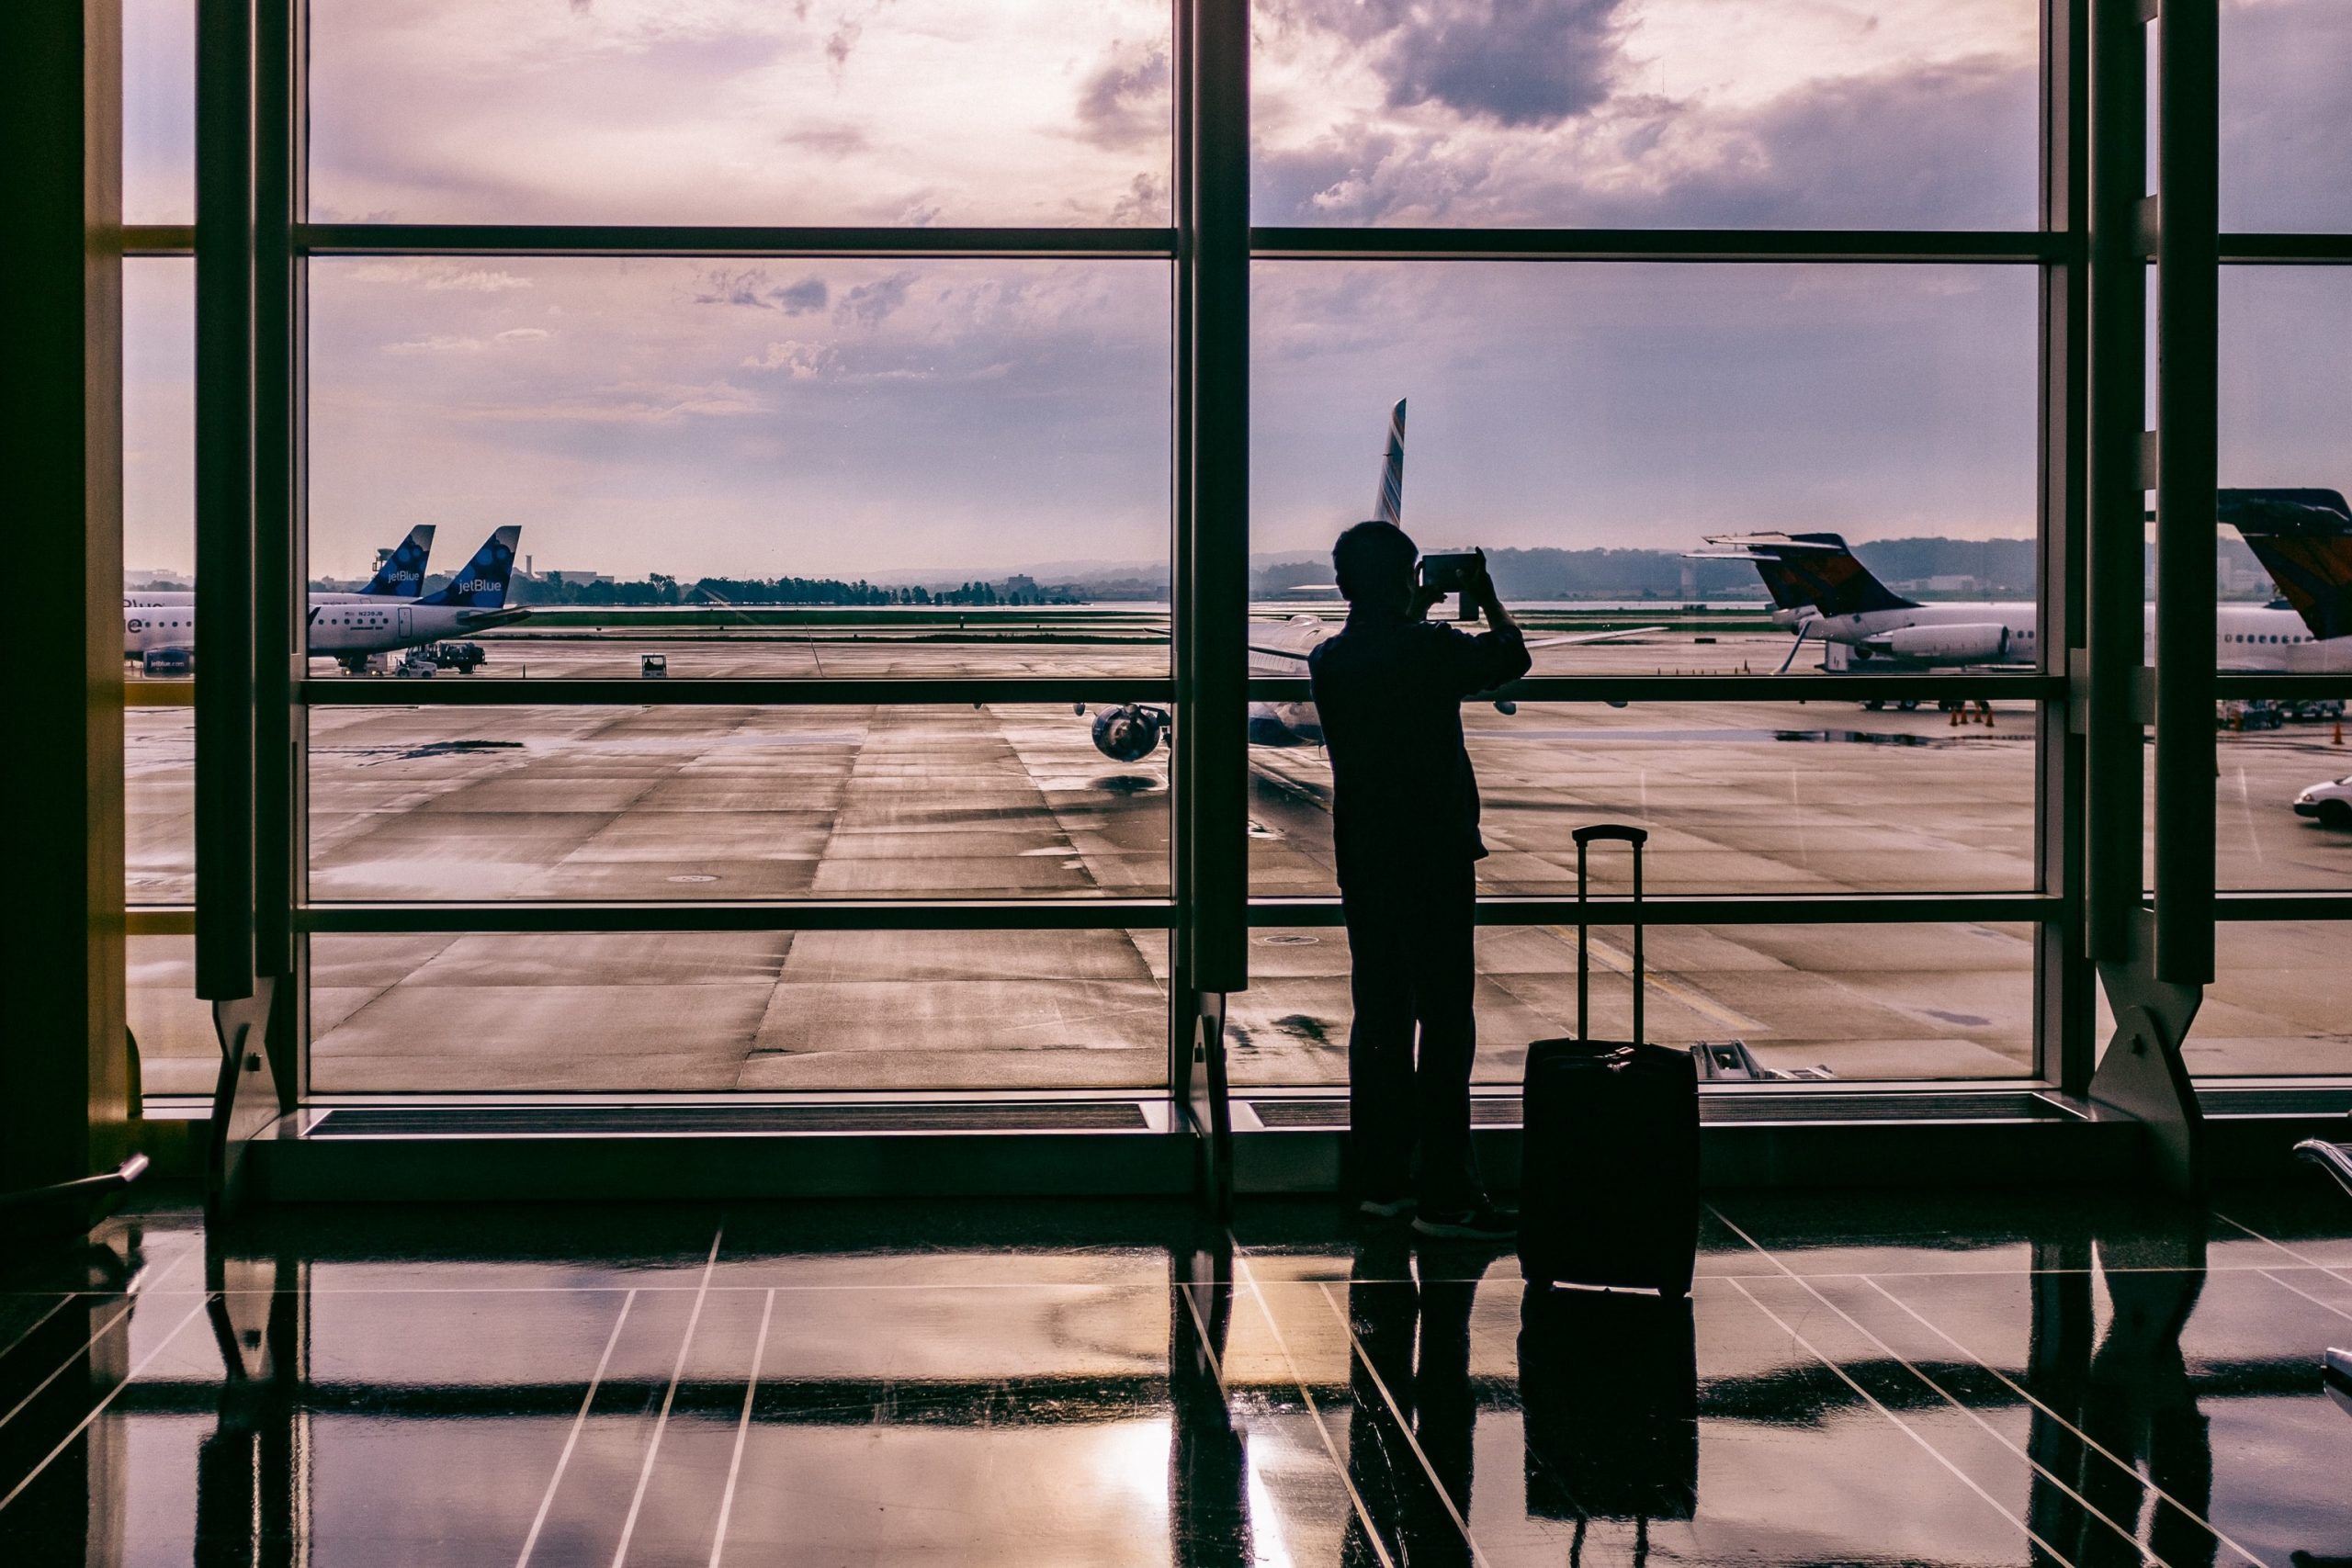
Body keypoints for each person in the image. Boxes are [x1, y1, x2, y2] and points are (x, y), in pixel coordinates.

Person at [1308, 522, 1530, 1239]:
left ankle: (1381, 1185)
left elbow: (1383, 644)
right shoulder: (1432, 649)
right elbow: (1511, 658)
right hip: (1434, 856)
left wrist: (1409, 601)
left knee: (1379, 1019)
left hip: (1365, 859)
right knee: (1443, 1022)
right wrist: (1486, 595)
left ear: (1342, 585)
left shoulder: (1329, 660)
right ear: (1409, 579)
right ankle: (1449, 1195)